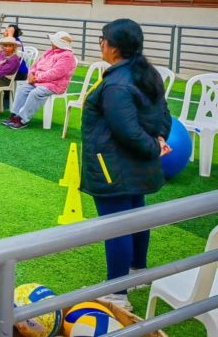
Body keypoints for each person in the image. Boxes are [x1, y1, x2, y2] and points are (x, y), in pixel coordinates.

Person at [80, 18, 172, 311]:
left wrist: (152, 147)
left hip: (114, 166)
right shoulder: (145, 73)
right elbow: (164, 117)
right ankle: (137, 270)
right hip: (134, 165)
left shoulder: (118, 83)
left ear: (113, 46)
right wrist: (158, 141)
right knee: (135, 214)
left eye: (101, 39)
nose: (101, 45)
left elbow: (127, 129)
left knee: (116, 226)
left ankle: (117, 293)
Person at [3, 31, 77, 129]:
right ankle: (14, 115)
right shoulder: (49, 52)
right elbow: (35, 65)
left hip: (54, 84)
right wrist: (31, 76)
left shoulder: (67, 56)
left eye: (53, 41)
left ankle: (22, 119)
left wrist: (37, 78)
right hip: (38, 81)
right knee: (23, 89)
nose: (51, 43)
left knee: (36, 92)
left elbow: (55, 73)